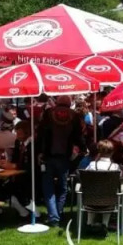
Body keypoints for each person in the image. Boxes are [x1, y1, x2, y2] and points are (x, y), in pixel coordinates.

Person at [37, 95, 84, 227]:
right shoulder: (74, 116)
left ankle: (53, 217)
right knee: (63, 187)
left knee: (48, 187)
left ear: (57, 103)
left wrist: (39, 151)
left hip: (48, 156)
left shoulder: (48, 113)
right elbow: (78, 136)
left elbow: (40, 133)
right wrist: (84, 148)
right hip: (64, 156)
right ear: (69, 104)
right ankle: (58, 213)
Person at [83, 140, 120, 229]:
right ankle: (105, 224)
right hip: (108, 201)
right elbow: (119, 178)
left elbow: (85, 177)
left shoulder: (92, 165)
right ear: (112, 152)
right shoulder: (115, 167)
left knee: (94, 191)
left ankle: (89, 223)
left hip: (91, 200)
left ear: (99, 152)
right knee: (109, 192)